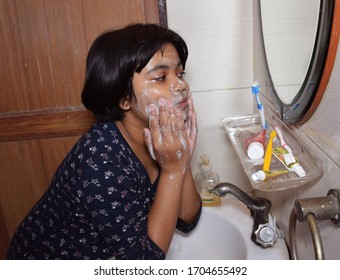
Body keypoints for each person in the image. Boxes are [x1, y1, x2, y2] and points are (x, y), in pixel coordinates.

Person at [6, 23, 202, 260]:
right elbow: (143, 264)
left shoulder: (160, 139)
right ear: (123, 98)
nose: (181, 85)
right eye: (160, 77)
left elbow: (187, 220)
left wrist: (181, 161)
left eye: (180, 74)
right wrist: (172, 170)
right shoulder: (99, 162)